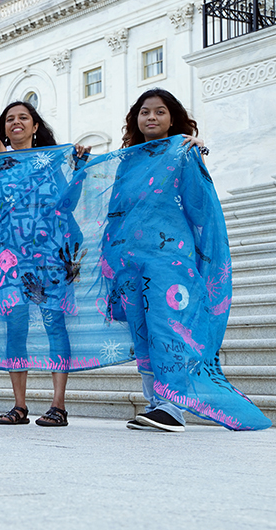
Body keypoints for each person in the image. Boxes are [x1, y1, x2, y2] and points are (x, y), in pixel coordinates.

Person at [0, 34, 87, 428]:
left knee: (55, 323)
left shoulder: (52, 162)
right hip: (9, 256)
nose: (15, 122)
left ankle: (58, 404)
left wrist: (80, 170)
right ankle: (19, 405)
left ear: (36, 125)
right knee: (16, 325)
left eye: (23, 117)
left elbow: (67, 205)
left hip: (50, 255)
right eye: (10, 120)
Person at [110, 89, 208, 432]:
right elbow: (116, 212)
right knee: (143, 333)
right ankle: (155, 404)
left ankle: (173, 407)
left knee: (167, 328)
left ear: (172, 118)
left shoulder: (183, 153)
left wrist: (198, 157)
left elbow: (199, 205)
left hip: (170, 258)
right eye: (144, 112)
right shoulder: (128, 161)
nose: (151, 117)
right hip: (132, 261)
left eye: (160, 111)